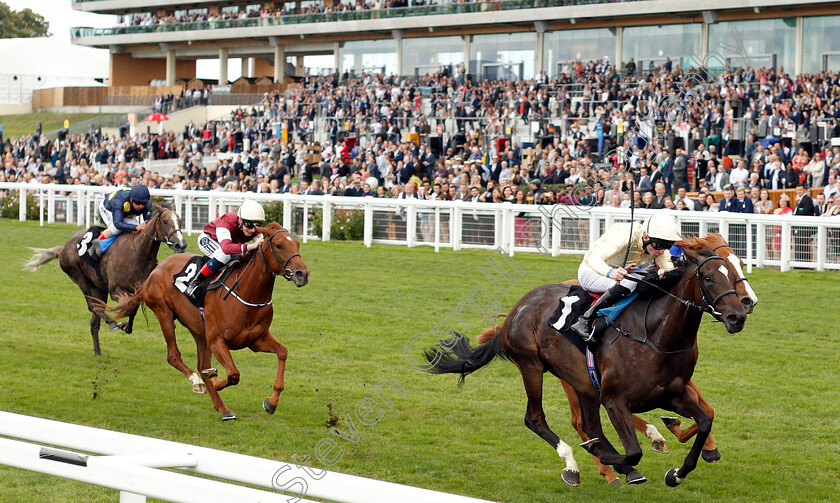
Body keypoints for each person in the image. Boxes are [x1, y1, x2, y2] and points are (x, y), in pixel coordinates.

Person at [570, 213, 681, 342]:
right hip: (592, 271)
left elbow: (666, 264)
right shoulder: (625, 235)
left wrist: (667, 272)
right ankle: (585, 319)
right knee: (631, 283)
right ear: (646, 237)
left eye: (667, 246)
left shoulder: (657, 245)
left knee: (648, 278)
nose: (661, 251)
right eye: (659, 246)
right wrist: (610, 272)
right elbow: (594, 258)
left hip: (621, 272)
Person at [182, 200, 266, 298]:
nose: (253, 230)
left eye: (257, 225)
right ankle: (194, 284)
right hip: (209, 239)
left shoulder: (252, 228)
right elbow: (226, 248)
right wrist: (251, 246)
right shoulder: (227, 221)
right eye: (249, 225)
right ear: (240, 220)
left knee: (244, 257)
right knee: (223, 256)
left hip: (229, 243)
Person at [91, 185, 152, 258]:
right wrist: (137, 227)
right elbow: (118, 224)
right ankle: (96, 245)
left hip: (125, 213)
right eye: (138, 203)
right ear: (131, 199)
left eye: (143, 203)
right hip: (108, 208)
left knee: (136, 231)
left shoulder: (147, 204)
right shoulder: (119, 201)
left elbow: (148, 222)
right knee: (115, 229)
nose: (141, 206)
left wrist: (143, 225)